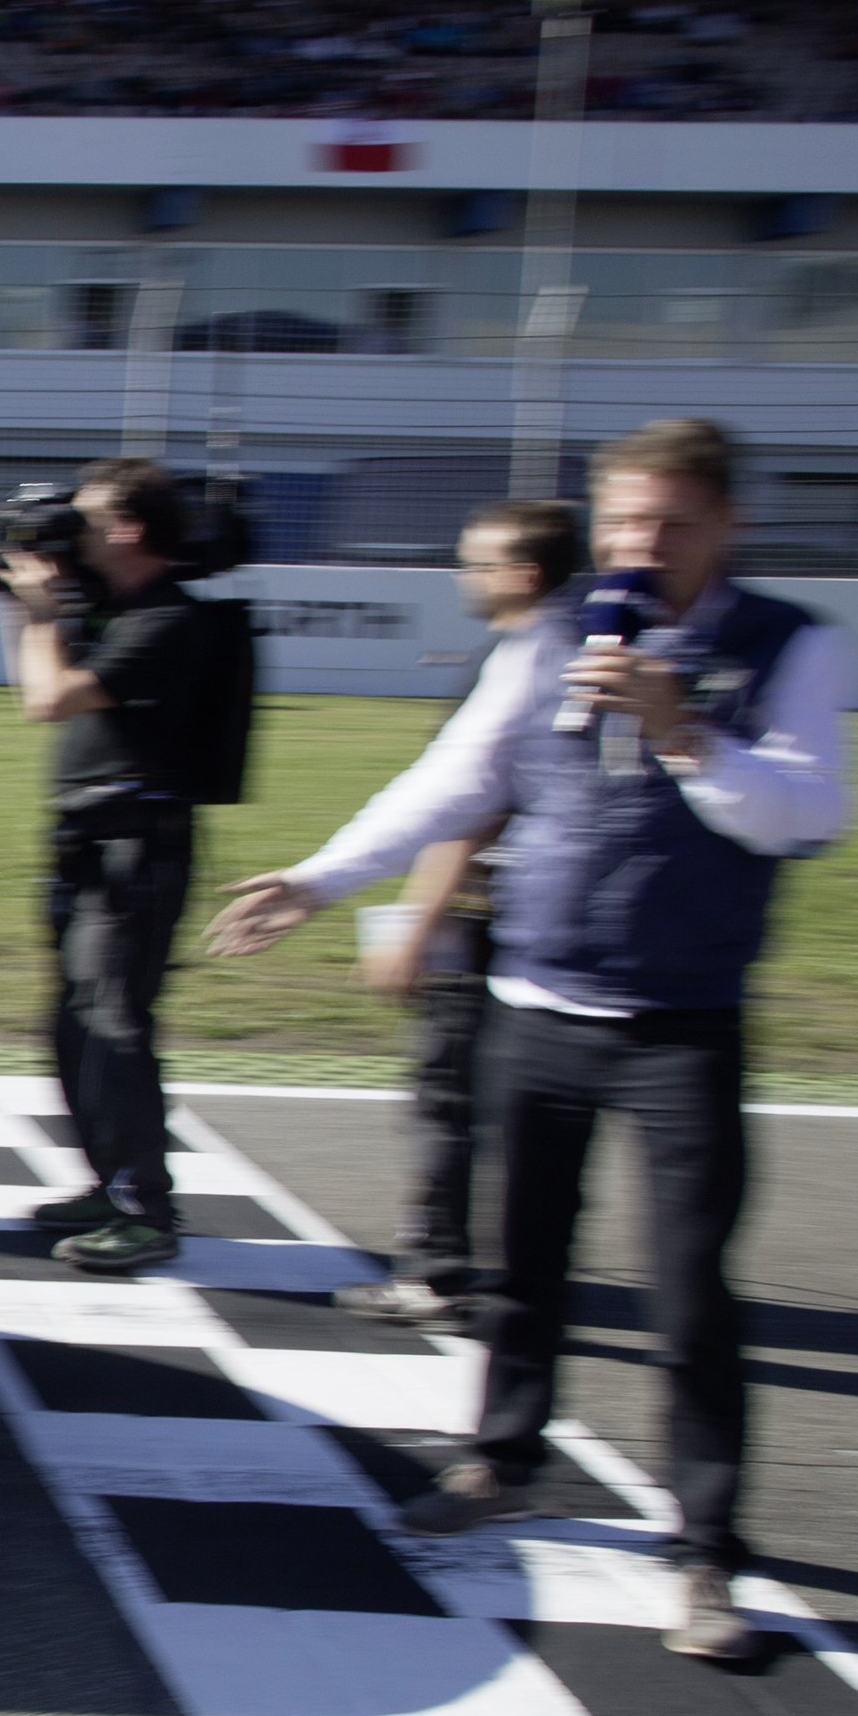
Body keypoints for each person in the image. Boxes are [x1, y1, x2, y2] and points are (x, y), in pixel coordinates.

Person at [205, 422, 854, 1664]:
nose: (637, 550)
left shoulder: (790, 645)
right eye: (620, 526)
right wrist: (324, 881)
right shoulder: (556, 636)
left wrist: (685, 732)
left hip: (681, 1024)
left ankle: (706, 1551)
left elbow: (810, 815)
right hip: (539, 1004)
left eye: (668, 525)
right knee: (517, 1263)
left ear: (728, 526)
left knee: (691, 1292)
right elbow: (454, 778)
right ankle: (503, 1460)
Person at [328, 498, 585, 1327]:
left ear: (524, 574)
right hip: (549, 916)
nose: (462, 578)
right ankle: (511, 1265)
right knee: (520, 1106)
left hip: (482, 913)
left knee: (447, 1097)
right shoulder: (582, 648)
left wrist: (415, 919)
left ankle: (435, 1272)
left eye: (475, 564)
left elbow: (473, 808)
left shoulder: (519, 660)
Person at [1, 456, 248, 1276]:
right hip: (86, 838)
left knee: (115, 1023)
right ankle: (106, 1182)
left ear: (129, 528)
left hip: (135, 845)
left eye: (88, 515)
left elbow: (49, 699)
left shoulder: (170, 619)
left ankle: (147, 1207)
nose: (72, 526)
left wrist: (39, 613)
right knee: (71, 1025)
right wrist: (31, 608)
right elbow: (32, 688)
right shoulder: (117, 611)